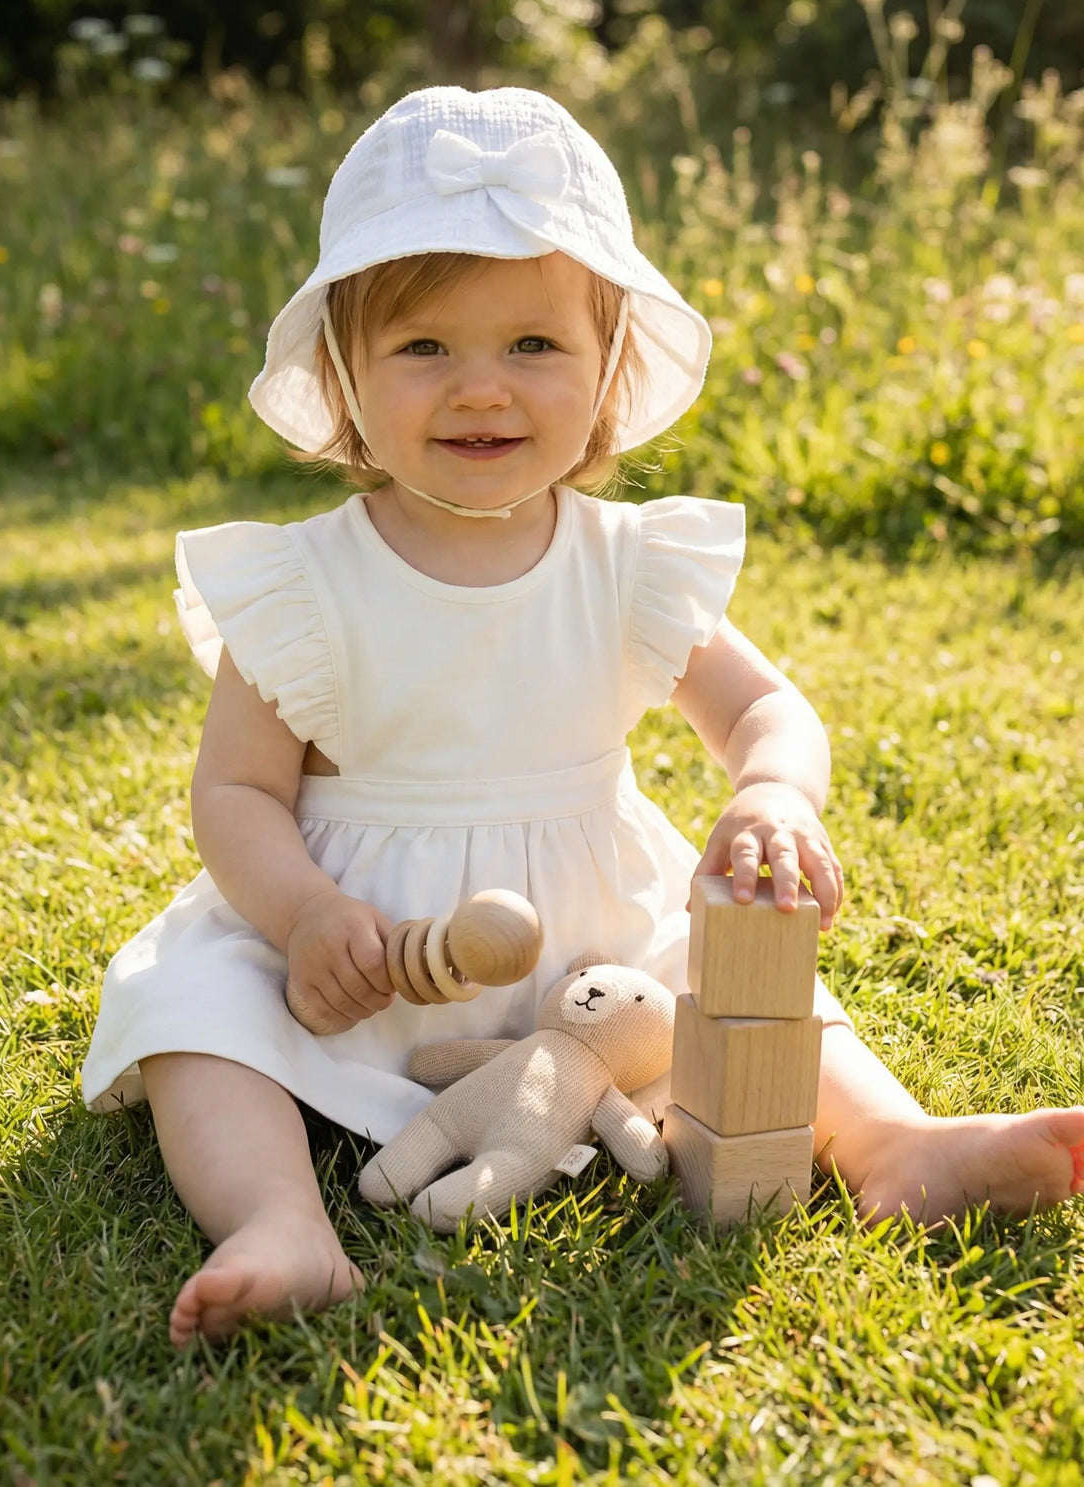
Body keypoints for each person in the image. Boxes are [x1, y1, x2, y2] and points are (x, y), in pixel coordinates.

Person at [81, 86, 1084, 1349]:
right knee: (196, 1015)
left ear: (609, 367)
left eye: (535, 347)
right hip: (365, 947)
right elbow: (233, 792)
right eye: (425, 348)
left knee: (747, 977)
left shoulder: (625, 566)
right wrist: (305, 915)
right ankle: (279, 1221)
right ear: (343, 372)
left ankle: (894, 1142)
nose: (481, 389)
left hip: (593, 955)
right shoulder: (303, 584)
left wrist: (772, 791)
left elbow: (765, 705)